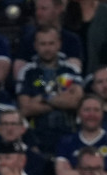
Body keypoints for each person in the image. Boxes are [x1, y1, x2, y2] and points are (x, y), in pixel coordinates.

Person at [15, 26, 84, 156]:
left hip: (68, 135)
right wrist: (61, 100)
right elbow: (25, 109)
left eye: (51, 43)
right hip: (38, 138)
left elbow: (76, 102)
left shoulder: (70, 70)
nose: (47, 48)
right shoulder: (28, 72)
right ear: (35, 45)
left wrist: (44, 98)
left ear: (59, 44)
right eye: (43, 44)